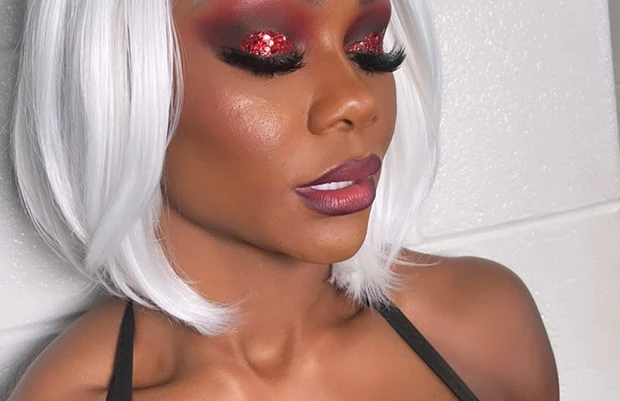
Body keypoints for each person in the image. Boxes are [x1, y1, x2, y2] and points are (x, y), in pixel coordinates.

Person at [8, 0, 559, 400]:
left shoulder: (485, 326)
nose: (356, 100)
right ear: (122, 78)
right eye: (267, 50)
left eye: (369, 48)